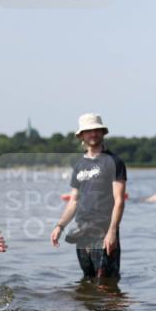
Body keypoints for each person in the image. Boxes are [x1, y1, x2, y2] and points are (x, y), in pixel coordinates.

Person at [51, 113, 127, 280]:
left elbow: (119, 200)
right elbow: (74, 201)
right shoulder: (79, 165)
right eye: (89, 131)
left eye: (96, 130)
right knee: (88, 279)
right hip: (82, 233)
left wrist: (112, 232)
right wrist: (60, 226)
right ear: (81, 135)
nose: (93, 134)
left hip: (104, 231)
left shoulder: (114, 162)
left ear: (103, 132)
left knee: (107, 282)